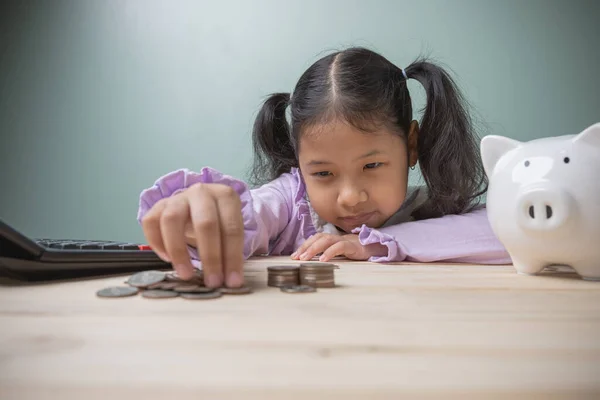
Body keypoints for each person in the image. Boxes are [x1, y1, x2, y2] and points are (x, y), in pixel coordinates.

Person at [137, 47, 511, 289]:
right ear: (298, 162)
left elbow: (509, 231)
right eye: (323, 174)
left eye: (373, 164)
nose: (351, 197)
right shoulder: (290, 204)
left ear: (411, 145)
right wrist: (206, 216)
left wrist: (376, 244)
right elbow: (250, 214)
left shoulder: (432, 209)